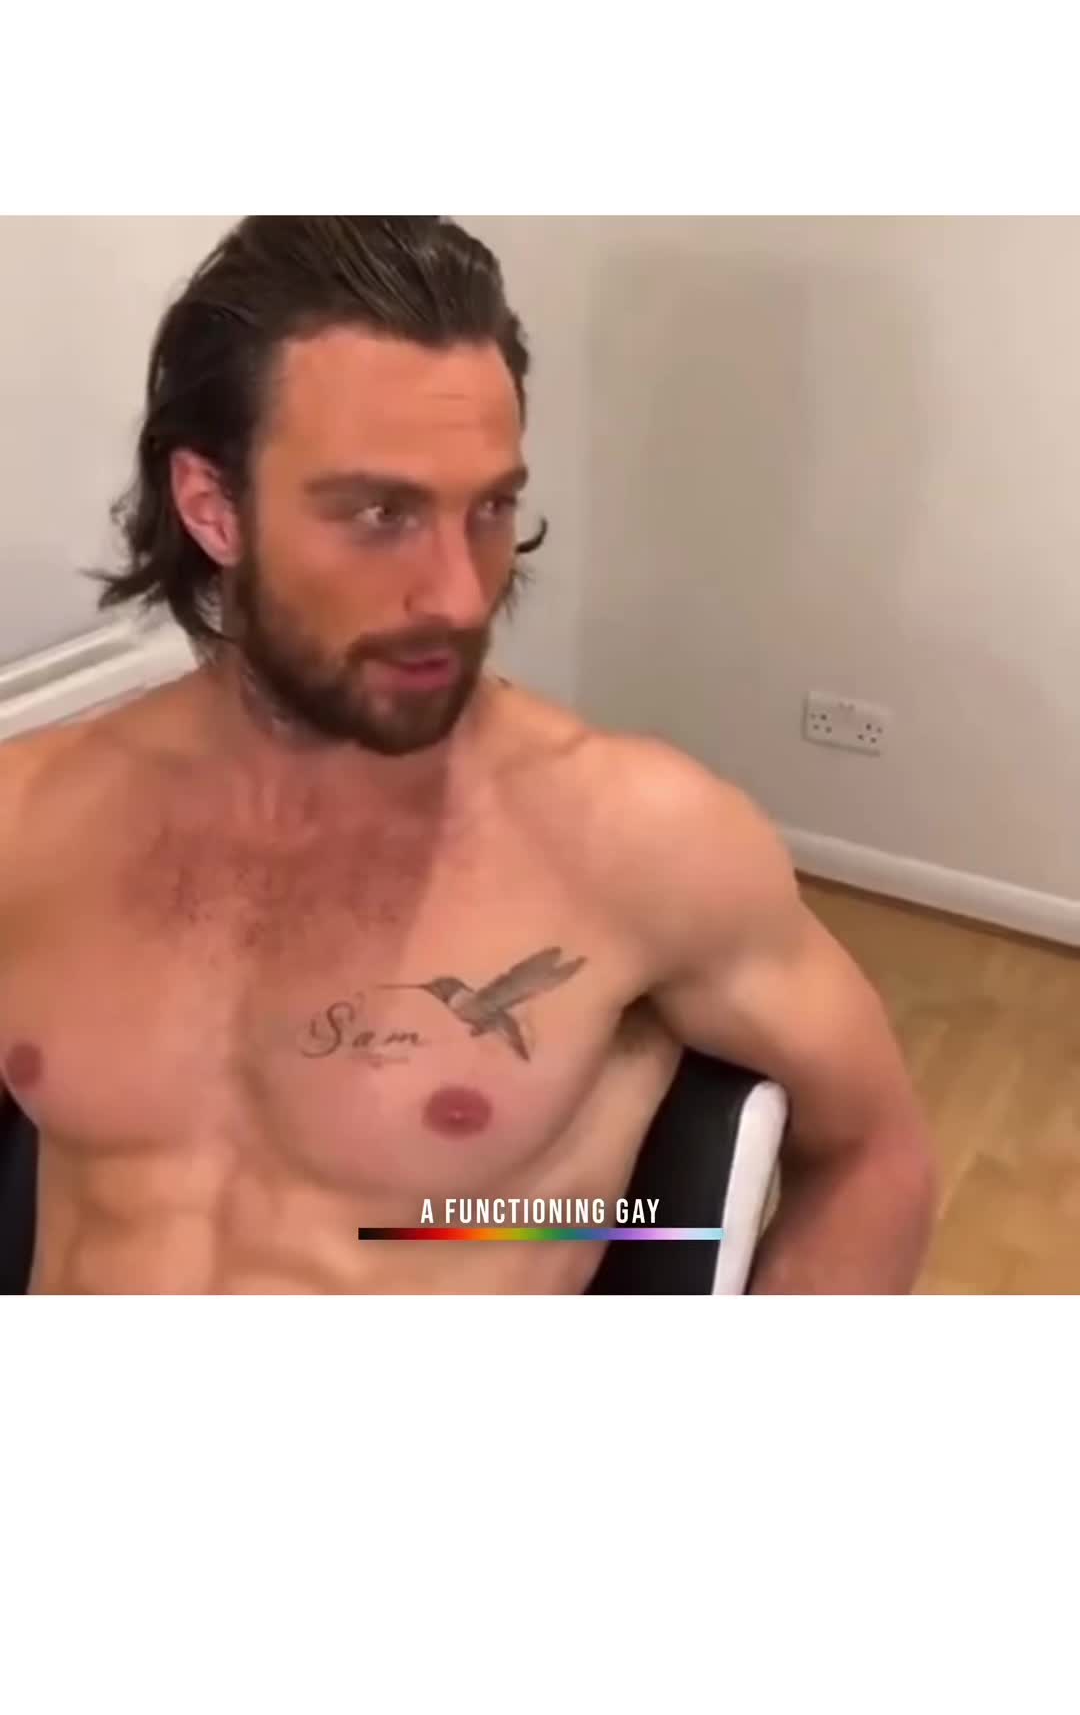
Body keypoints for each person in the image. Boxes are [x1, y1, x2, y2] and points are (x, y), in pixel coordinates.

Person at [0, 216, 935, 1294]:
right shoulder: (35, 816)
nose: (456, 595)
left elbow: (876, 1156)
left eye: (491, 507)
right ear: (213, 508)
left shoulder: (639, 841)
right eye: (380, 512)